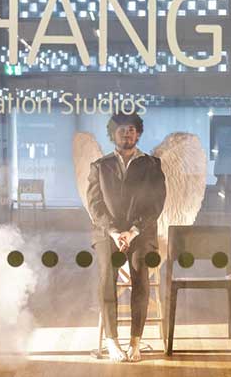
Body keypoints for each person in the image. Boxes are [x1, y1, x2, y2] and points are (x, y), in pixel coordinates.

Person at [85, 113, 167, 362]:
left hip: (141, 234)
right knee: (106, 276)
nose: (127, 134)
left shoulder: (153, 164)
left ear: (138, 133)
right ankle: (112, 341)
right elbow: (94, 205)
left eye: (131, 129)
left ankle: (135, 343)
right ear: (113, 135)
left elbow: (156, 204)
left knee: (140, 275)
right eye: (121, 130)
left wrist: (132, 232)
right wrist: (114, 231)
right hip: (106, 233)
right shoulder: (99, 166)